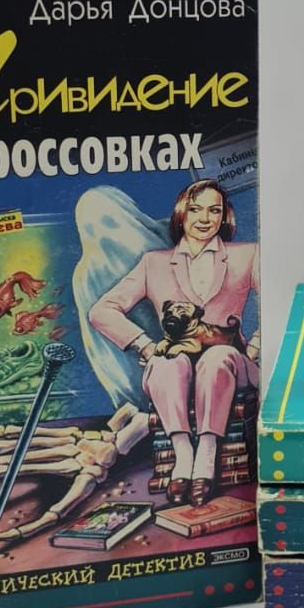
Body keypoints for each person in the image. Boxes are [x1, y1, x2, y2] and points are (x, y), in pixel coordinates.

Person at [89, 180, 259, 507]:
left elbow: (281, 298)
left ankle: (206, 454)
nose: (205, 218)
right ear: (182, 213)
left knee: (217, 357)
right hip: (177, 359)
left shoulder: (248, 254)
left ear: (224, 216)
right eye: (196, 209)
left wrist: (254, 347)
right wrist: (144, 345)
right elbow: (101, 311)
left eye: (214, 210)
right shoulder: (154, 263)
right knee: (164, 362)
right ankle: (183, 456)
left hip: (233, 363)